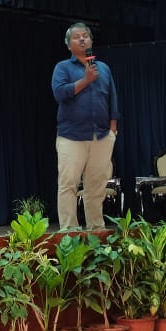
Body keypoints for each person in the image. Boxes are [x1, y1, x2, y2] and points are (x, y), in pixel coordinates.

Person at [51, 22, 119, 231]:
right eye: (76, 37)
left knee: (96, 188)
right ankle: (69, 233)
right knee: (68, 185)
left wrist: (112, 130)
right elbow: (60, 93)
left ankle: (96, 231)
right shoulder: (62, 67)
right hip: (71, 136)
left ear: (91, 41)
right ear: (69, 45)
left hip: (101, 137)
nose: (82, 39)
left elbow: (112, 99)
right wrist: (86, 80)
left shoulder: (104, 68)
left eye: (85, 36)